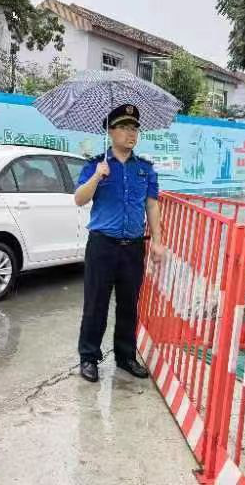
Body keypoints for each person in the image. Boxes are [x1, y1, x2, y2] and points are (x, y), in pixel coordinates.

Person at [74, 103, 165, 383]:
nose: (131, 133)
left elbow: (151, 206)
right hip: (102, 245)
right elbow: (79, 199)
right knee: (96, 304)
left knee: (129, 304)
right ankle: (89, 358)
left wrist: (158, 242)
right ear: (110, 131)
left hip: (133, 247)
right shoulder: (96, 165)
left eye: (134, 128)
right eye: (124, 127)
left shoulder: (145, 169)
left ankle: (125, 357)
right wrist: (97, 176)